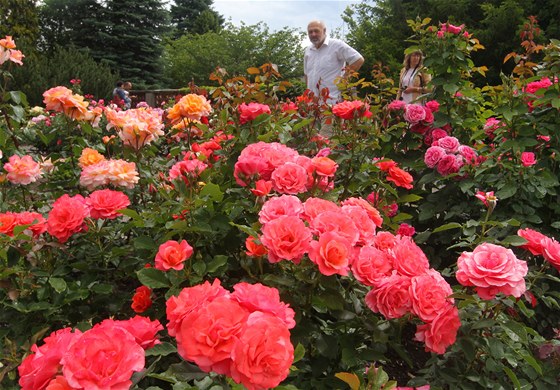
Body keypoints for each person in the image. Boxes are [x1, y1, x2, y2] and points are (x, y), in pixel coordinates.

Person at [304, 20, 364, 105]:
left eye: (316, 31)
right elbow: (307, 74)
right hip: (312, 104)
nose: (313, 34)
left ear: (324, 31)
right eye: (310, 32)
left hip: (332, 102)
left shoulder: (336, 45)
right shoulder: (308, 50)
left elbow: (358, 59)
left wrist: (344, 79)